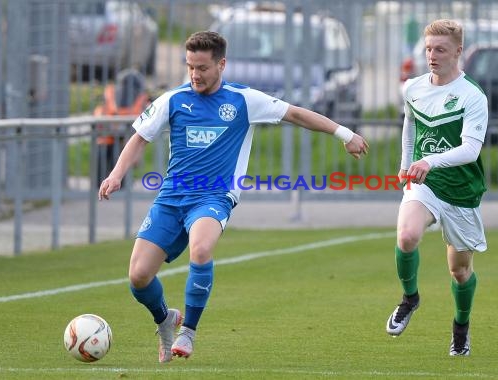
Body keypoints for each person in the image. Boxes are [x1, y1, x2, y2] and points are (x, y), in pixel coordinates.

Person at [98, 30, 369, 363]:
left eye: (202, 68)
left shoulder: (243, 99)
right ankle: (165, 319)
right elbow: (140, 137)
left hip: (215, 195)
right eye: (190, 67)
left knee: (200, 249)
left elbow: (296, 113)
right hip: (171, 197)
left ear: (221, 64)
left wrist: (345, 133)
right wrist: (115, 174)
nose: (195, 75)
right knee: (138, 277)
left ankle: (189, 332)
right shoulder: (173, 100)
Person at [385, 19, 488, 356]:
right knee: (407, 235)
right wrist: (406, 164)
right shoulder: (413, 87)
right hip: (425, 183)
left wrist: (430, 160)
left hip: (461, 189)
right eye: (428, 48)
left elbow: (470, 150)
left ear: (457, 52)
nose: (432, 55)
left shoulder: (472, 95)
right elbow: (410, 128)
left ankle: (461, 326)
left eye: (440, 49)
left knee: (459, 271)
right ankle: (410, 298)